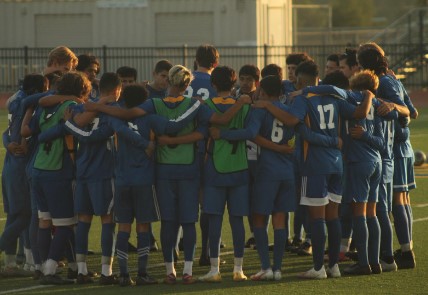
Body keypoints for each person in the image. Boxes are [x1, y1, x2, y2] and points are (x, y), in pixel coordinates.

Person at [253, 60, 374, 279]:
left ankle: (318, 268)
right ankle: (334, 266)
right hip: (337, 164)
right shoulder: (335, 98)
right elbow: (358, 114)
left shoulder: (303, 98)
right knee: (333, 217)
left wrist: (268, 105)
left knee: (316, 218)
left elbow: (291, 120)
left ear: (300, 81)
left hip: (315, 164)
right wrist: (369, 96)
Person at [358, 46, 416, 270]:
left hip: (397, 148)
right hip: (399, 147)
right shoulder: (393, 79)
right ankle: (404, 249)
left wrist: (394, 107)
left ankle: (404, 252)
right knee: (401, 200)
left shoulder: (384, 82)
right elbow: (413, 111)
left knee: (396, 201)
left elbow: (408, 111)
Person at [32, 72, 91, 285]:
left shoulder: (46, 105)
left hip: (39, 168)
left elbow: (32, 128)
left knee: (45, 221)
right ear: (82, 90)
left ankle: (45, 267)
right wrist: (64, 125)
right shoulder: (73, 107)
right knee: (66, 224)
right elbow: (69, 131)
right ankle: (49, 270)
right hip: (58, 171)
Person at [61, 73, 119, 285]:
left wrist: (71, 124)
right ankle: (106, 271)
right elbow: (92, 135)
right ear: (117, 91)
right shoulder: (114, 111)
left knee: (83, 222)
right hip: (103, 173)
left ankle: (82, 270)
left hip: (82, 171)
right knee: (107, 222)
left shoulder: (82, 107)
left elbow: (75, 122)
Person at [198, 66, 250, 283]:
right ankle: (239, 269)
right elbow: (251, 132)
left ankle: (214, 268)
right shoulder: (246, 106)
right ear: (234, 82)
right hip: (240, 167)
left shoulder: (206, 106)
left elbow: (202, 137)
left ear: (213, 84)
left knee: (214, 219)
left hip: (214, 168)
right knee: (237, 220)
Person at [0, 74, 48, 277]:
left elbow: (6, 131)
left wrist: (7, 143)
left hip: (11, 165)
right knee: (25, 215)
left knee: (17, 214)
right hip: (20, 167)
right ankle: (24, 260)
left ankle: (14, 263)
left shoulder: (16, 103)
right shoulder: (28, 105)